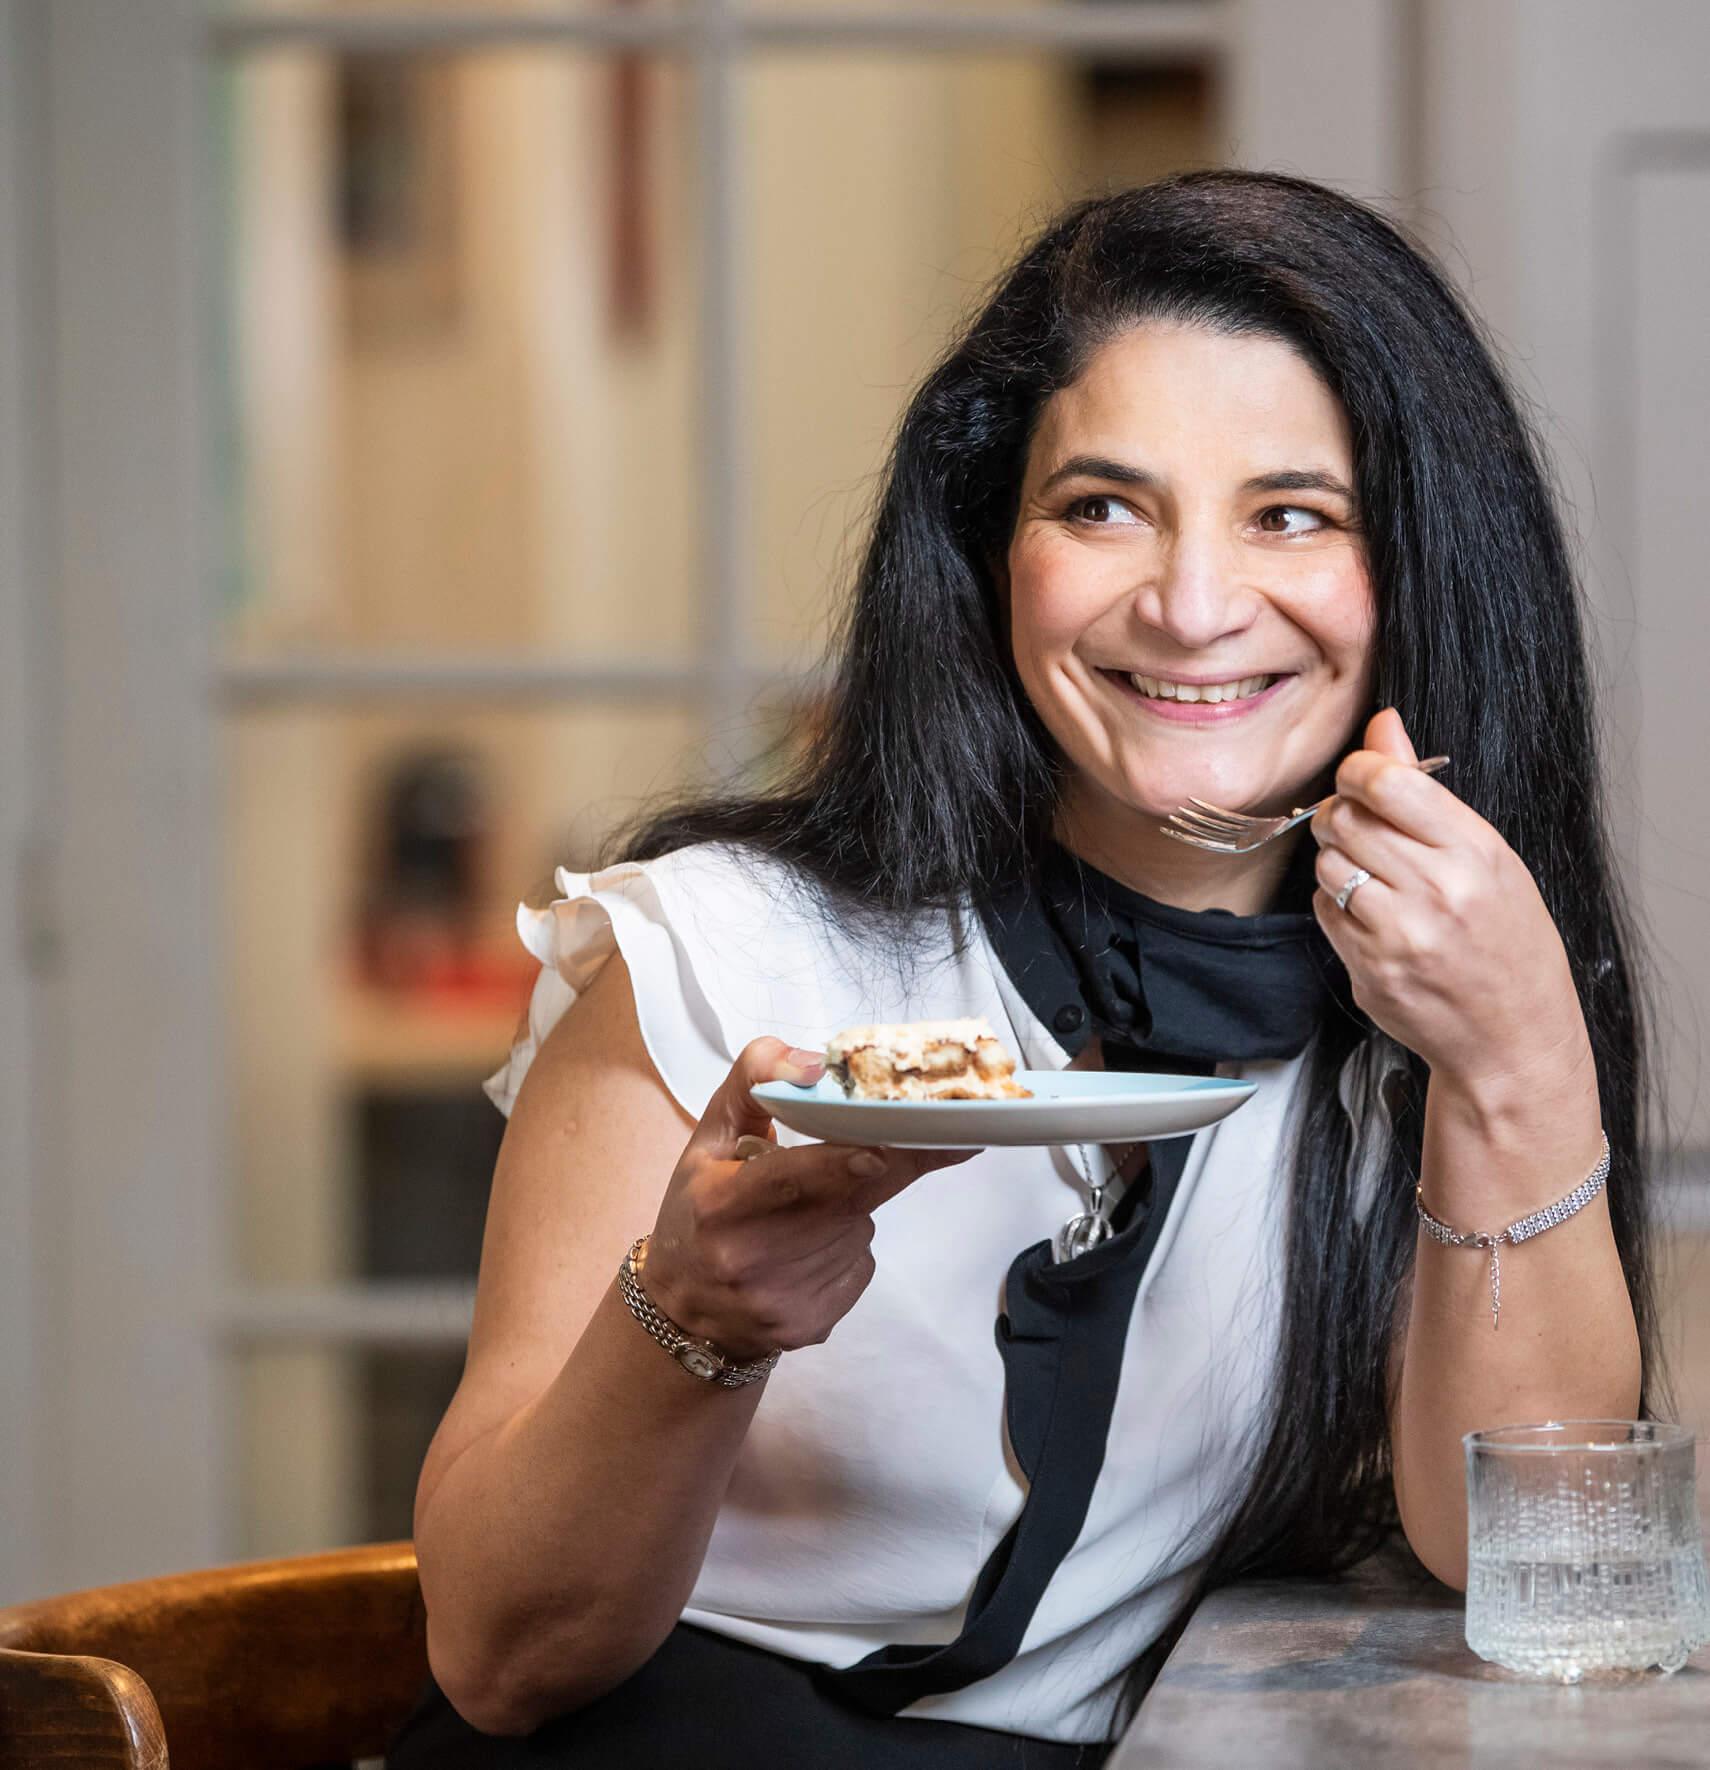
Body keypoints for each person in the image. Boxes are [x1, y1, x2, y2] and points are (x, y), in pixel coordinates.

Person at [388, 171, 1655, 1768]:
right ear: (994, 553)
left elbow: (1514, 1557)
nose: (1190, 606)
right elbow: (500, 1658)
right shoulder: (714, 955)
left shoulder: (1417, 1024)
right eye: (1101, 506)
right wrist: (692, 1317)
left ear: (1415, 569)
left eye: (1290, 515)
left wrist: (1517, 1053)